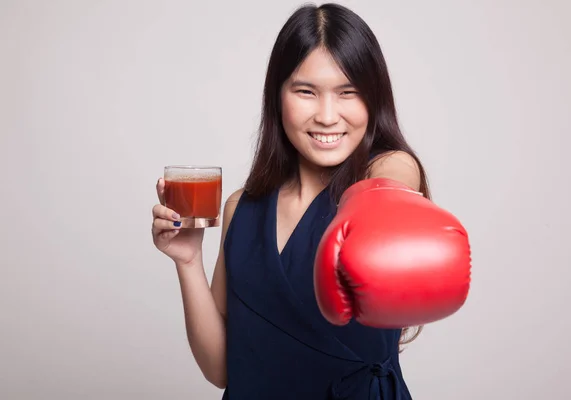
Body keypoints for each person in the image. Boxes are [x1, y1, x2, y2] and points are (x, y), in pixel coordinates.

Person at [152, 3, 470, 399]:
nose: (327, 115)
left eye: (348, 93)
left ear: (373, 100)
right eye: (306, 91)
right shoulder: (241, 209)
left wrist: (391, 200)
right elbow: (219, 369)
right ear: (278, 96)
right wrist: (187, 261)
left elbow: (396, 177)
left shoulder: (384, 172)